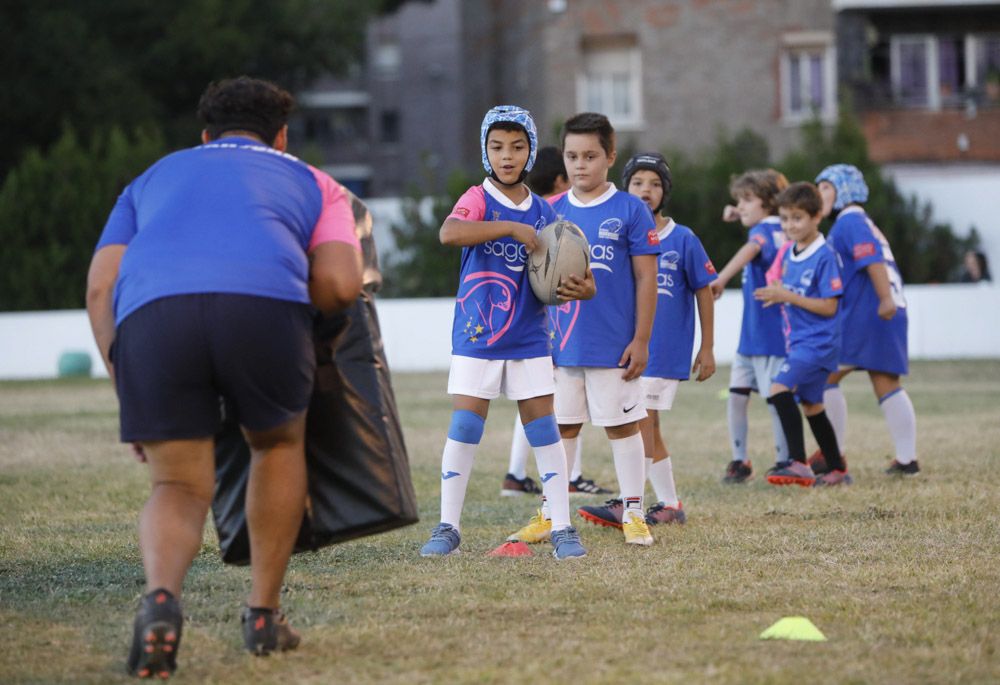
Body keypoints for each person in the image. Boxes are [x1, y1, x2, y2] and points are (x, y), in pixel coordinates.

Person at [85, 77, 363, 678]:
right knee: (276, 445)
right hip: (263, 312)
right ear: (281, 137)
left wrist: (125, 384)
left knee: (177, 487)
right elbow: (341, 286)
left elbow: (102, 287)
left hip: (154, 317)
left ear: (204, 136)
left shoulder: (152, 179)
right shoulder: (315, 182)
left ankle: (161, 601)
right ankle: (263, 615)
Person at [418, 106, 593, 560]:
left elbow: (568, 270)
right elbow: (449, 233)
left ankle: (562, 526)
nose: (507, 156)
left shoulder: (545, 211)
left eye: (517, 147)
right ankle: (447, 527)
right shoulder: (476, 197)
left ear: (531, 151)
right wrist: (512, 228)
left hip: (530, 336)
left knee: (544, 430)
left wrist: (582, 286)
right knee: (465, 425)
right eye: (497, 147)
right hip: (478, 333)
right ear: (486, 151)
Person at [534, 112, 661, 546]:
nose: (579, 165)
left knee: (622, 428)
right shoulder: (548, 211)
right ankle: (552, 513)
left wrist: (641, 339)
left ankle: (633, 511)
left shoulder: (632, 209)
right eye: (571, 156)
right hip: (560, 345)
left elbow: (647, 279)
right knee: (561, 428)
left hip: (614, 345)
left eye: (590, 155)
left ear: (610, 156)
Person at [579, 152, 716, 527]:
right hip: (631, 347)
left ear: (665, 192)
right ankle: (662, 503)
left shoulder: (683, 238)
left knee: (644, 423)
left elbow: (706, 289)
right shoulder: (624, 233)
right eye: (638, 182)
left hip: (664, 350)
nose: (646, 190)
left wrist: (706, 347)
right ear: (626, 186)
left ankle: (638, 502)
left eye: (655, 184)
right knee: (646, 424)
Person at [502, 145, 612, 498]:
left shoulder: (535, 215)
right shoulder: (554, 217)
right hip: (554, 329)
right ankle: (566, 476)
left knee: (538, 402)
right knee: (554, 407)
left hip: (540, 326)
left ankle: (517, 474)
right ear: (562, 179)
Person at [811, 164, 919, 476]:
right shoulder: (861, 221)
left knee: (823, 378)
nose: (820, 196)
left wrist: (884, 298)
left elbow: (870, 259)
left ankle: (834, 455)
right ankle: (906, 459)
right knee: (885, 382)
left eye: (826, 188)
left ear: (845, 191)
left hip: (870, 313)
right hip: (885, 312)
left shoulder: (850, 221)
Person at [753, 182, 849, 487]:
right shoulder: (790, 253)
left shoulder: (824, 255)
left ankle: (798, 462)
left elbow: (830, 307)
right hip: (798, 344)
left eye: (797, 218)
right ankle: (836, 469)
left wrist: (788, 296)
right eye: (785, 218)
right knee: (812, 406)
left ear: (817, 216)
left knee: (779, 389)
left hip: (818, 345)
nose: (790, 225)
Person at [710, 169, 791, 484]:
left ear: (769, 203)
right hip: (753, 335)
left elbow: (752, 247)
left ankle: (782, 459)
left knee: (773, 400)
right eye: (738, 200)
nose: (740, 206)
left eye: (747, 200)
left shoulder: (766, 230)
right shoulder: (774, 226)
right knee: (737, 396)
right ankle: (741, 460)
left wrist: (722, 276)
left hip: (768, 336)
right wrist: (738, 212)